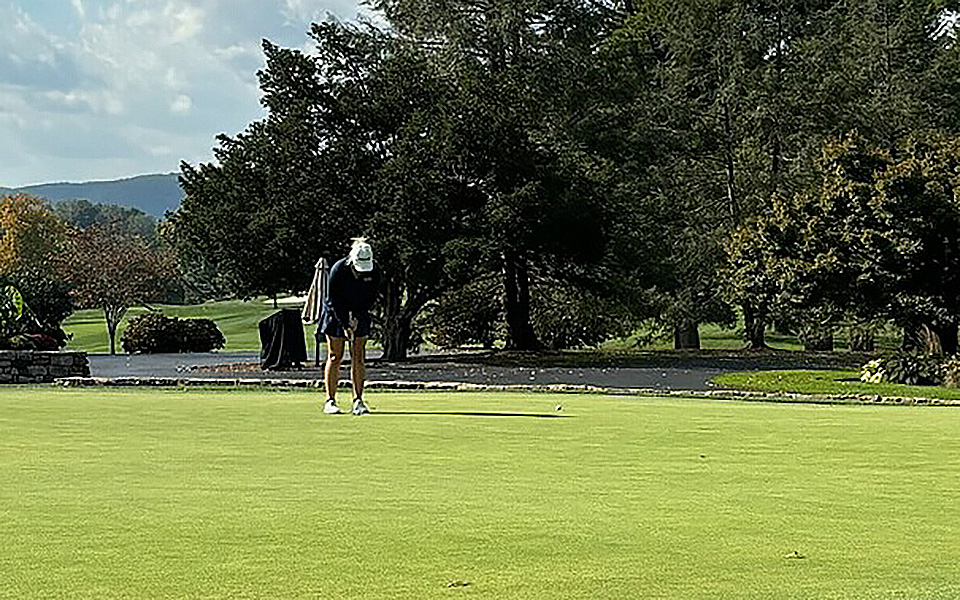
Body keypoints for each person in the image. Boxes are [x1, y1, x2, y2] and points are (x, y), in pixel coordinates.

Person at [320, 238, 381, 415]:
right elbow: (333, 300)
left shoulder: (374, 270)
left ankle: (358, 400)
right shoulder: (338, 270)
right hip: (335, 313)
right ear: (352, 261)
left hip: (360, 311)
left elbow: (371, 297)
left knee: (359, 356)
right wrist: (345, 323)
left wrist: (357, 317)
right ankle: (330, 401)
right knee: (335, 355)